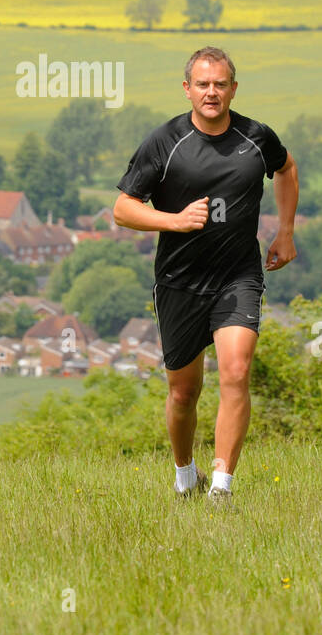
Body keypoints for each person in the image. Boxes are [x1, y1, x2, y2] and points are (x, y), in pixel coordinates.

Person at [113, 47, 298, 503]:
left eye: (220, 84)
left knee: (236, 371)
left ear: (233, 88)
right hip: (178, 281)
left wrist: (286, 232)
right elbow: (122, 209)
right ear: (187, 89)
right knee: (183, 394)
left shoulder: (256, 136)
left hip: (238, 276)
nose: (211, 92)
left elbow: (287, 168)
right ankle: (184, 475)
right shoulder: (165, 141)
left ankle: (221, 487)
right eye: (202, 84)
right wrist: (174, 220)